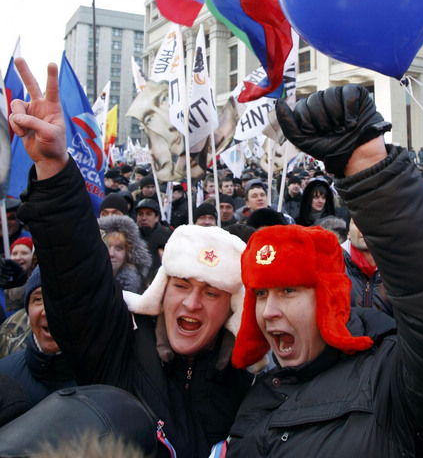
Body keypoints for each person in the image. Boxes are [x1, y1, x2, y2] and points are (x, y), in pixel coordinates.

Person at [7, 55, 253, 458]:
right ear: (160, 289)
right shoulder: (121, 347)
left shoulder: (255, 382)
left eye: (211, 292)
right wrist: (54, 171)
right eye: (182, 285)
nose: (191, 302)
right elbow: (78, 281)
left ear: (231, 306)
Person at [221, 84, 423, 457]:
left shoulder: (391, 379)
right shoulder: (253, 393)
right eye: (262, 293)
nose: (269, 312)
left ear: (329, 296)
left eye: (289, 290)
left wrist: (370, 170)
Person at [0, 268, 75, 406]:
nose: (47, 311)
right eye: (38, 299)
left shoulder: (106, 373)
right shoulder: (4, 376)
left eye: (58, 298)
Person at [98, 215, 152, 293]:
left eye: (119, 248)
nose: (111, 253)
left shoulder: (134, 293)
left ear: (128, 254)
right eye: (107, 246)